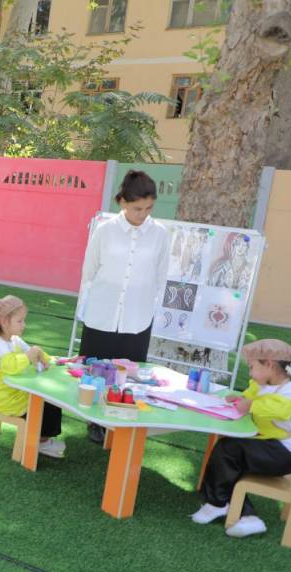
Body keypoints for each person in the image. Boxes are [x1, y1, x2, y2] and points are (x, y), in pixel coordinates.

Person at [77, 170, 170, 442]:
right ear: (123, 202)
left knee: (128, 374)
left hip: (137, 317)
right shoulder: (104, 230)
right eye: (137, 208)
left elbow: (161, 276)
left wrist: (149, 307)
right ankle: (95, 422)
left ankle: (121, 421)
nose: (143, 214)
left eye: (149, 208)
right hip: (101, 313)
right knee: (97, 370)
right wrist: (88, 304)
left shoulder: (160, 234)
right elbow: (89, 271)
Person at [192, 339, 291, 539]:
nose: (251, 373)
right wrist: (239, 398)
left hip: (283, 453)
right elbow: (250, 395)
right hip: (271, 446)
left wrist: (251, 405)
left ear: (269, 365)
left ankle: (217, 503)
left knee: (228, 449)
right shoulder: (265, 384)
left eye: (252, 367)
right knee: (229, 455)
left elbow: (281, 409)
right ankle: (249, 517)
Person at [0, 295, 66, 458]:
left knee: (51, 401)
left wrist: (46, 358)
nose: (24, 325)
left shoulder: (14, 339)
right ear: (4, 322)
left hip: (17, 394)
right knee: (46, 406)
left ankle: (42, 439)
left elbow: (31, 351)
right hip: (8, 401)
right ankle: (40, 443)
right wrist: (30, 355)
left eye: (24, 320)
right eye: (20, 321)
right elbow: (12, 365)